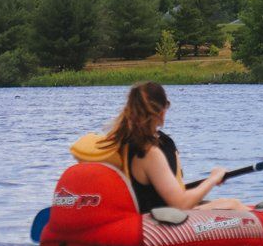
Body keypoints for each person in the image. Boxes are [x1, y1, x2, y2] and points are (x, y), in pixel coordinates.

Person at [101, 81, 249, 213]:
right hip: (160, 222)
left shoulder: (122, 141)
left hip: (152, 214)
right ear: (162, 111)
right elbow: (181, 204)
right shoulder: (149, 152)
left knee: (223, 203)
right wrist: (213, 179)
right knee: (233, 205)